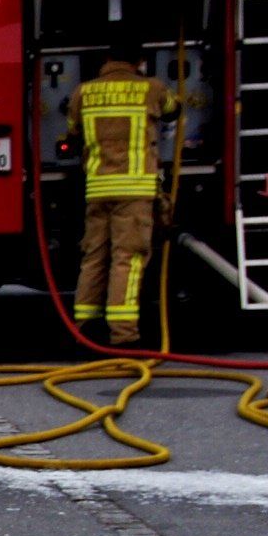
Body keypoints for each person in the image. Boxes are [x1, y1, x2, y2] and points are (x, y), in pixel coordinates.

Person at [69, 36, 177, 347]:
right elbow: (173, 109)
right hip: (134, 190)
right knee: (127, 260)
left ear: (106, 60)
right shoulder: (151, 88)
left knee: (94, 257)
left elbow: (72, 132)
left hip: (97, 189)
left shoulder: (83, 92)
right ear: (139, 61)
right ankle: (124, 334)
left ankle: (85, 327)